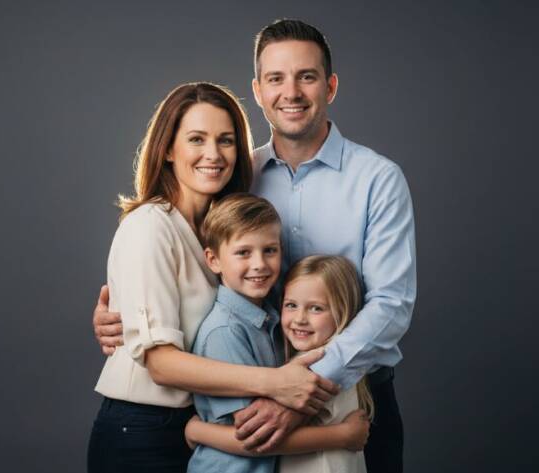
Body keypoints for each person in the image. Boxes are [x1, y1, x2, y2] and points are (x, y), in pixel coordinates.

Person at [93, 20, 417, 472]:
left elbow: (391, 305)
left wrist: (303, 387)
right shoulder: (236, 179)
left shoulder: (377, 180)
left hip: (353, 392)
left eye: (306, 76)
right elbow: (200, 269)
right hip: (248, 403)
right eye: (275, 79)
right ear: (259, 91)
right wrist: (124, 314)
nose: (292, 92)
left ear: (331, 85)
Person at [87, 82, 339, 473]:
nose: (213, 154)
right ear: (168, 149)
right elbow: (161, 365)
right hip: (142, 432)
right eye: (196, 139)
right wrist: (275, 383)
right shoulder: (150, 227)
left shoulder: (228, 233)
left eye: (226, 141)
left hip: (201, 427)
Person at [187, 195, 370, 473]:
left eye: (270, 250)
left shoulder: (275, 319)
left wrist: (196, 430)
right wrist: (343, 437)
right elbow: (256, 433)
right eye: (243, 253)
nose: (259, 263)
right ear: (213, 260)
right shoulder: (225, 331)